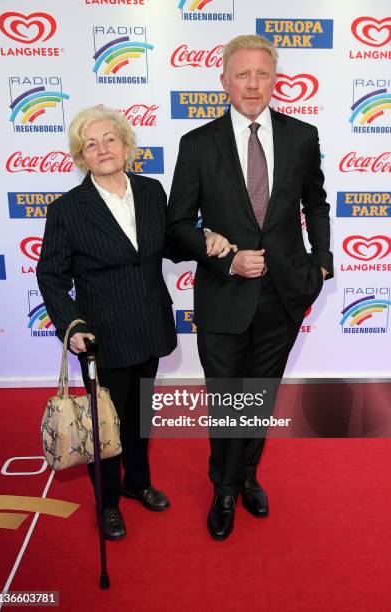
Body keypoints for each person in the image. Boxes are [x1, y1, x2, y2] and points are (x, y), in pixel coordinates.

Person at [167, 35, 333, 540]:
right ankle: (224, 488)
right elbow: (177, 227)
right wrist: (227, 259)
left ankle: (248, 478)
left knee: (260, 397)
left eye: (263, 73)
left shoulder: (303, 136)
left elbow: (316, 205)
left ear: (274, 79)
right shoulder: (197, 144)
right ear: (224, 82)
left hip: (284, 294)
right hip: (223, 295)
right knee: (227, 399)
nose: (253, 84)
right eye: (243, 74)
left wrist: (320, 264)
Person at [37, 105, 178, 541]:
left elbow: (167, 244)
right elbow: (51, 276)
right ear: (82, 156)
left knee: (139, 415)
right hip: (103, 336)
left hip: (151, 324)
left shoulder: (152, 190)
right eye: (91, 144)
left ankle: (138, 482)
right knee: (105, 425)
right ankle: (108, 503)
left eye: (109, 139)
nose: (103, 149)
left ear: (126, 144)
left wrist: (207, 238)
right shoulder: (68, 209)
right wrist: (72, 324)